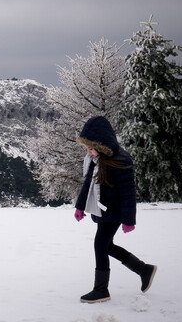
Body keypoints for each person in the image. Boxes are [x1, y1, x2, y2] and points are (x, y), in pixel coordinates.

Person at [74, 116, 156, 304]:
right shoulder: (97, 159)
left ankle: (101, 290)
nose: (88, 152)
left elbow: (128, 192)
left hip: (115, 212)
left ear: (102, 145)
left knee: (100, 245)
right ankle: (144, 270)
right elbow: (89, 183)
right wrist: (80, 207)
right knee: (107, 246)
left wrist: (129, 219)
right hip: (102, 211)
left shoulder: (121, 160)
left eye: (91, 148)